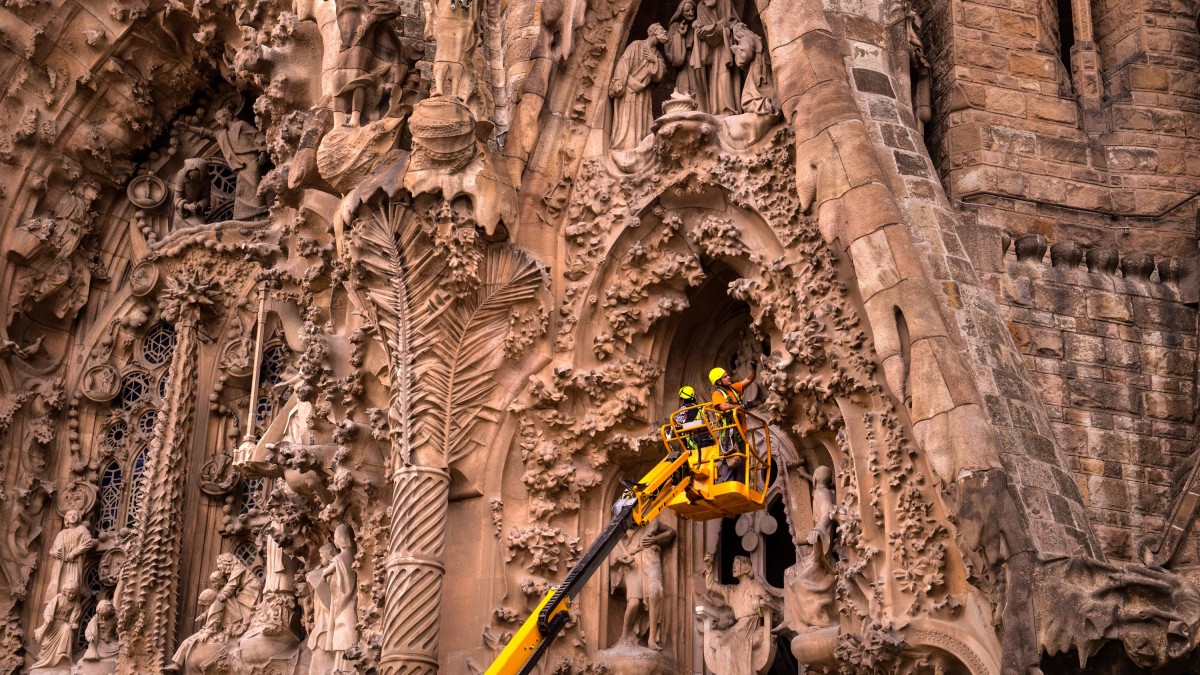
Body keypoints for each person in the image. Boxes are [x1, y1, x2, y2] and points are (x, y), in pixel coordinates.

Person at [609, 23, 669, 150]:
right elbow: (624, 62)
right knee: (628, 119)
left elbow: (661, 75)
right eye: (662, 29)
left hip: (644, 92)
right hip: (629, 89)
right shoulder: (637, 45)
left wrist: (655, 60)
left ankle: (639, 146)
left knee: (641, 120)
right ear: (653, 32)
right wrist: (619, 81)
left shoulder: (657, 54)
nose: (665, 31)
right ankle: (625, 146)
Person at [708, 362, 757, 482]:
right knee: (729, 459)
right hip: (729, 434)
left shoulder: (734, 388)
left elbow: (749, 380)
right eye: (725, 376)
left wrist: (753, 368)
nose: (729, 377)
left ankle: (740, 485)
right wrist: (739, 406)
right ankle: (728, 484)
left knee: (741, 460)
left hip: (740, 432)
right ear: (719, 382)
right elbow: (723, 406)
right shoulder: (717, 393)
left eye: (727, 375)